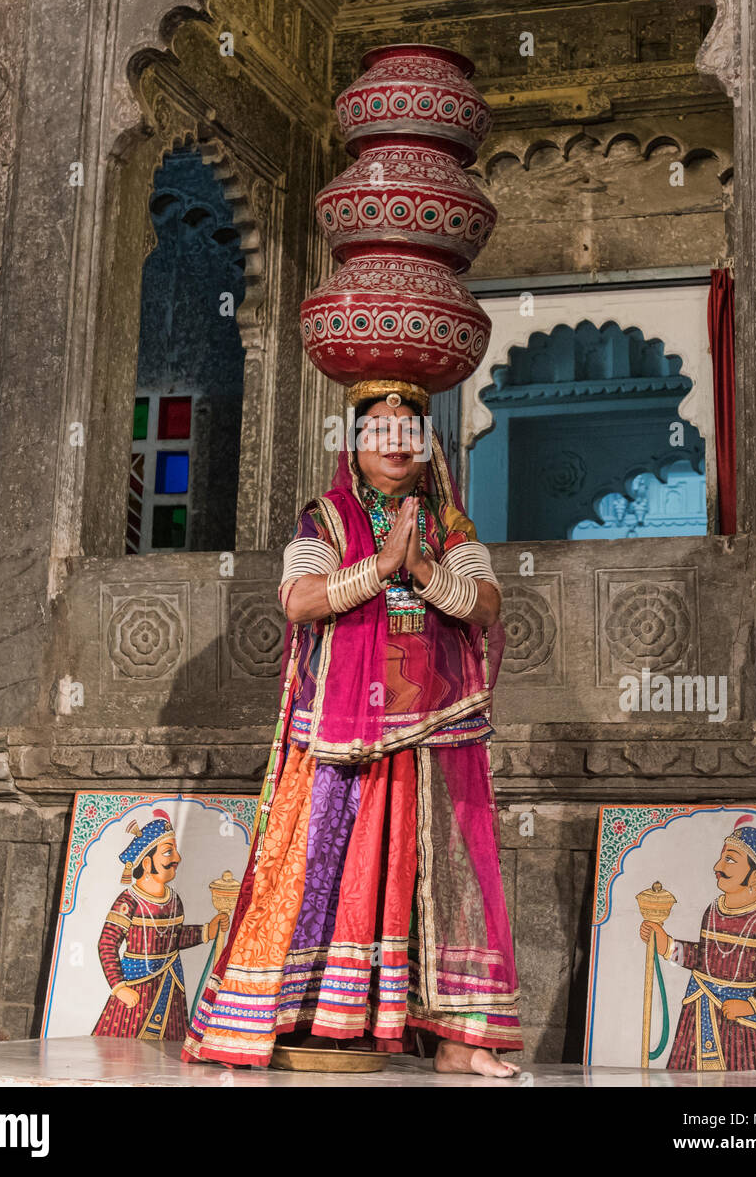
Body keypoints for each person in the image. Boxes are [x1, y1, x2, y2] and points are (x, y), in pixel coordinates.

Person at [182, 379, 522, 1076]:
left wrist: (420, 565)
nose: (396, 440)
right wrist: (380, 567)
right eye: (379, 429)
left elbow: (484, 608)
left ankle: (458, 1040)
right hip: (339, 733)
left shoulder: (451, 525)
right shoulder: (326, 520)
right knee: (319, 865)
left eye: (409, 429)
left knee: (437, 879)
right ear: (355, 445)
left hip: (431, 728)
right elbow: (300, 600)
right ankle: (288, 1021)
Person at [639, 816, 756, 1071]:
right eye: (722, 858)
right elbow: (706, 958)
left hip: (743, 1017)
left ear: (755, 876)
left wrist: (751, 1005)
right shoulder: (713, 909)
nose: (717, 866)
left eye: (729, 860)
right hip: (699, 1008)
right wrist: (666, 945)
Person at [93, 811, 225, 1041]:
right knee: (121, 1053)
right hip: (136, 986)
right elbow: (106, 944)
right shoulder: (128, 901)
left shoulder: (174, 899)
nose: (177, 858)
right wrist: (119, 988)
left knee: (170, 1047)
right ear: (146, 862)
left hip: (171, 985)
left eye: (175, 850)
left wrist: (207, 931)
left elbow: (174, 938)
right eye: (168, 852)